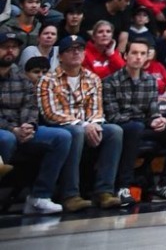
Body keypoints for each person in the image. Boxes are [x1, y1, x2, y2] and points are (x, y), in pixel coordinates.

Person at [102, 37, 166, 202]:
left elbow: (152, 111)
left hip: (143, 126)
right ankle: (123, 187)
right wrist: (148, 121)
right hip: (123, 129)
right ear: (125, 56)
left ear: (147, 57)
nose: (138, 57)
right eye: (134, 53)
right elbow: (113, 116)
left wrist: (158, 119)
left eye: (142, 54)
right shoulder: (110, 81)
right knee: (135, 127)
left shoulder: (150, 81)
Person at [39, 34, 127, 210]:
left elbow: (96, 109)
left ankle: (104, 191)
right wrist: (84, 125)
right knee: (76, 132)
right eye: (70, 50)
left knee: (114, 131)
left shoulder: (92, 78)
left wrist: (93, 123)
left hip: (88, 125)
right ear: (60, 56)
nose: (76, 53)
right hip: (60, 127)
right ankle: (70, 195)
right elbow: (50, 113)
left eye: (79, 49)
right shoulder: (48, 80)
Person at [0, 29, 75, 214]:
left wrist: (29, 125)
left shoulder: (20, 77)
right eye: (5, 47)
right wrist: (13, 129)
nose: (10, 51)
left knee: (62, 137)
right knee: (6, 139)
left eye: (14, 48)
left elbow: (31, 105)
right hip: (6, 131)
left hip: (21, 129)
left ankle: (39, 196)